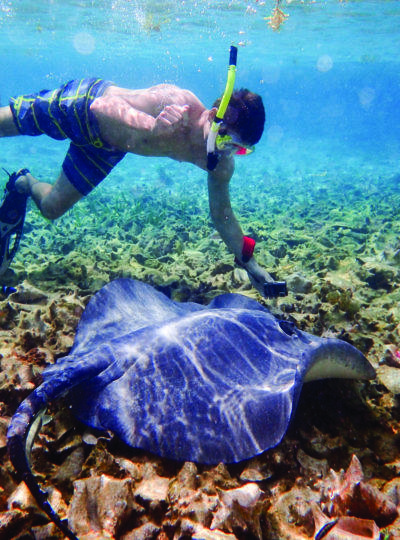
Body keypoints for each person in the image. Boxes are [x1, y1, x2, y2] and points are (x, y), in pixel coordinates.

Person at [0, 77, 284, 296]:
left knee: (51, 207)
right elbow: (102, 106)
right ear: (212, 116)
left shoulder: (220, 163)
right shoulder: (177, 103)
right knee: (4, 123)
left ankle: (22, 183)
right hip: (82, 107)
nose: (228, 153)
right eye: (226, 142)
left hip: (106, 148)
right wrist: (151, 127)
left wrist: (250, 265)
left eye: (240, 150)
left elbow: (222, 215)